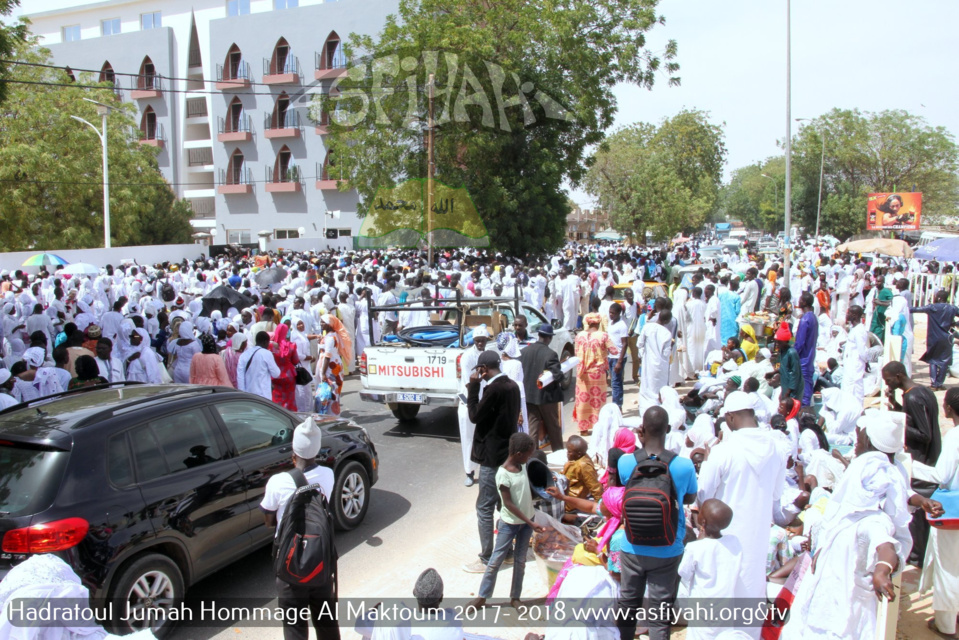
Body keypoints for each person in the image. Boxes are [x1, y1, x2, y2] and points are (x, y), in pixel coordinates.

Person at [781, 413, 941, 640]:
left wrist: (882, 570)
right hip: (831, 581)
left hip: (849, 592)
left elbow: (885, 544)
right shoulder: (852, 510)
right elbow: (899, 494)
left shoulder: (872, 517)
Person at [697, 391, 790, 635]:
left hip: (724, 536)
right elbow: (776, 496)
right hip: (759, 535)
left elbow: (704, 496)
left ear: (730, 418)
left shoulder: (723, 451)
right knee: (751, 591)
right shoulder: (778, 449)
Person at [615, 406, 697, 640]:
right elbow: (690, 497)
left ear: (642, 429)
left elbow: (625, 489)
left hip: (632, 546)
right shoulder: (683, 465)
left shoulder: (625, 462)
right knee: (660, 614)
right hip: (668, 548)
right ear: (668, 429)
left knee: (628, 604)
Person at [260, 416, 338, 640]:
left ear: (293, 453)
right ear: (317, 450)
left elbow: (268, 520)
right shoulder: (328, 475)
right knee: (327, 624)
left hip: (289, 567)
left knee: (294, 629)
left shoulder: (278, 481)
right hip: (321, 563)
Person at [467, 432, 546, 610]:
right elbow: (508, 503)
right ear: (518, 454)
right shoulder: (503, 474)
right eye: (528, 454)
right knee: (495, 560)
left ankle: (515, 597)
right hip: (510, 524)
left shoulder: (523, 466)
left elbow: (527, 488)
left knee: (520, 561)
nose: (530, 457)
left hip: (527, 522)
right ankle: (482, 597)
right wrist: (530, 522)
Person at [464, 349, 521, 573]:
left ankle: (487, 557)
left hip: (491, 458)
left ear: (483, 370)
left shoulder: (493, 389)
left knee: (485, 508)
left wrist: (473, 387)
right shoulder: (513, 387)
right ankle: (506, 552)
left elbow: (475, 416)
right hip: (507, 456)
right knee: (503, 505)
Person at [882, 360, 942, 566]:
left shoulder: (914, 397)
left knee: (917, 515)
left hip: (922, 462)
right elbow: (915, 420)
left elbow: (924, 434)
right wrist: (897, 408)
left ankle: (917, 557)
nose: (887, 384)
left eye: (888, 380)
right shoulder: (920, 392)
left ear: (898, 376)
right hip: (926, 460)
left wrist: (896, 421)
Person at [919, 386, 959, 638]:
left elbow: (941, 475)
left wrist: (909, 466)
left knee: (948, 566)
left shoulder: (955, 436)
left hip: (953, 512)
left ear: (949, 408)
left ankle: (945, 626)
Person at [677, 499, 745, 640]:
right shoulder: (734, 541)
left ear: (703, 523)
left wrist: (700, 540)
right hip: (726, 603)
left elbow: (683, 573)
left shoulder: (695, 548)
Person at [519, 324, 564, 452]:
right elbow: (557, 376)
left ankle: (531, 456)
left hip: (530, 396)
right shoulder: (551, 354)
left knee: (533, 427)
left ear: (539, 335)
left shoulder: (524, 352)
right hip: (546, 398)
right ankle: (559, 453)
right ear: (549, 338)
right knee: (553, 427)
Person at [574, 312, 618, 435]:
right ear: (599, 323)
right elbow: (614, 351)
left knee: (582, 400)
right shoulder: (603, 336)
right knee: (598, 400)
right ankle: (599, 427)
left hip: (582, 374)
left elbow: (576, 353)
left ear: (587, 323)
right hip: (598, 374)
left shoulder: (579, 336)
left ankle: (583, 428)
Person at [458, 325, 490, 486]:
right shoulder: (467, 357)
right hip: (469, 403)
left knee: (486, 438)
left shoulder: (489, 354)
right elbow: (470, 381)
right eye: (477, 341)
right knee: (468, 438)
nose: (480, 344)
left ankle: (485, 470)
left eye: (482, 341)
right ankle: (469, 472)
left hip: (486, 403)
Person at [910, 290, 959, 390]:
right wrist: (955, 324)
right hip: (947, 338)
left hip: (933, 337)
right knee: (945, 361)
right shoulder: (953, 308)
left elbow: (914, 309)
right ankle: (939, 383)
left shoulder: (932, 307)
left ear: (939, 298)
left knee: (933, 360)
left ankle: (933, 383)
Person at [637, 309, 673, 416]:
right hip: (661, 366)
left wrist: (643, 354)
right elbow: (666, 353)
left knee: (646, 387)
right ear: (667, 321)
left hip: (648, 363)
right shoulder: (667, 333)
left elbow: (639, 344)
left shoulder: (647, 327)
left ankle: (646, 412)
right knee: (659, 390)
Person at [562, 435, 602, 512]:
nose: (567, 453)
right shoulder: (575, 459)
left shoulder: (584, 465)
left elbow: (595, 487)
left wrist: (600, 509)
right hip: (566, 493)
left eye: (569, 451)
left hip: (572, 501)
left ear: (579, 453)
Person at [237, 331, 281, 401]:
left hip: (248, 396)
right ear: (265, 342)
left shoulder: (244, 355)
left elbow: (240, 378)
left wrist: (243, 394)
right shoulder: (267, 353)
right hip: (263, 396)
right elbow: (276, 374)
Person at [841, 305, 870, 408]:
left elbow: (862, 351)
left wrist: (866, 362)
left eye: (849, 313)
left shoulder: (859, 330)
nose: (847, 315)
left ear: (854, 315)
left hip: (855, 366)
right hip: (850, 365)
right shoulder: (854, 329)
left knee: (855, 390)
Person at [794, 292, 818, 406]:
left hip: (804, 359)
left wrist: (792, 355)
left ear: (803, 302)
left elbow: (799, 343)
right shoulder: (813, 317)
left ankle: (805, 412)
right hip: (809, 357)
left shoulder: (805, 319)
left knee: (805, 391)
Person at [270, 323, 300, 411]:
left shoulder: (271, 346)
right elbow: (295, 360)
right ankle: (291, 415)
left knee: (277, 397)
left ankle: (279, 415)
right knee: (290, 398)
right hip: (289, 375)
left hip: (275, 376)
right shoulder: (291, 345)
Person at [773, 322, 803, 403]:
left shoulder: (791, 353)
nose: (777, 344)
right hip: (785, 385)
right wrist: (774, 372)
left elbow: (795, 373)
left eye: (779, 342)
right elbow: (785, 368)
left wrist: (788, 392)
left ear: (785, 341)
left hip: (793, 390)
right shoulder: (783, 351)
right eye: (776, 342)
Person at [607, 302, 629, 409]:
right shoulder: (611, 323)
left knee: (616, 383)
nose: (611, 315)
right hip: (610, 357)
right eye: (610, 312)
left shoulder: (622, 325)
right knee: (614, 382)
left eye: (613, 313)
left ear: (619, 313)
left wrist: (620, 362)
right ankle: (617, 405)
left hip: (618, 358)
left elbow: (625, 344)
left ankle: (617, 406)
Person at [869, 275, 893, 341]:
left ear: (883, 282)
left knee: (878, 336)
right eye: (876, 281)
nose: (877, 283)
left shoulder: (886, 291)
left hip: (882, 318)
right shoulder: (875, 291)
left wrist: (880, 303)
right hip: (875, 316)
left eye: (879, 281)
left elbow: (892, 302)